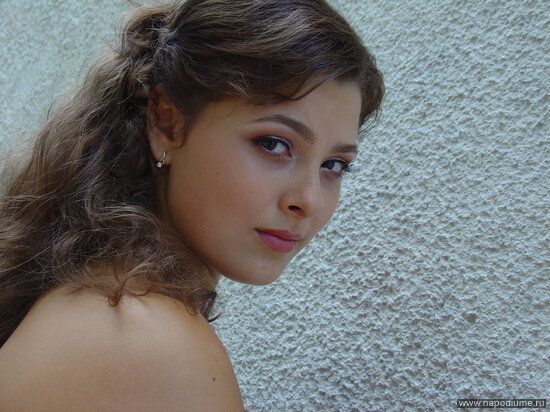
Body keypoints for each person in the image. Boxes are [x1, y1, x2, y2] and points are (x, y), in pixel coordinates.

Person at [0, 0, 383, 410]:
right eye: (273, 144)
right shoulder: (147, 337)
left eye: (334, 165)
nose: (308, 200)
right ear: (166, 123)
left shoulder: (94, 299)